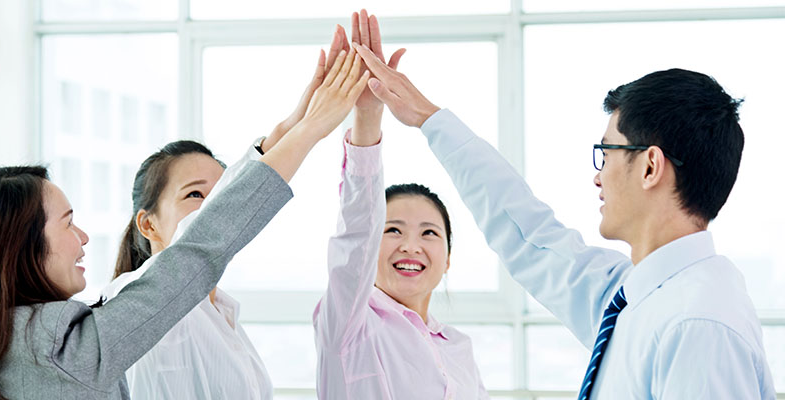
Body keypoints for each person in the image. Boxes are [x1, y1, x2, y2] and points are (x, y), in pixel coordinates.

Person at [0, 48, 372, 399]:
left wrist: (296, 122)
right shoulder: (60, 348)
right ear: (19, 247)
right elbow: (199, 249)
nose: (84, 237)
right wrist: (312, 128)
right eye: (68, 224)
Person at [353, 37, 775, 398]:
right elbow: (528, 234)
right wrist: (429, 119)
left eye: (606, 153)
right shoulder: (630, 293)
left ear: (649, 167)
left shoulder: (699, 325)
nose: (598, 176)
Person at [97, 25, 361, 400]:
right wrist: (311, 128)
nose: (215, 209)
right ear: (148, 223)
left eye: (219, 194)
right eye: (194, 195)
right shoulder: (136, 301)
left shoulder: (219, 312)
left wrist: (293, 123)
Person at [312, 10, 489, 400]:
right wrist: (368, 117)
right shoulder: (350, 325)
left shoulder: (457, 346)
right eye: (392, 230)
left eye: (429, 233)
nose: (411, 246)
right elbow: (355, 231)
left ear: (448, 257)